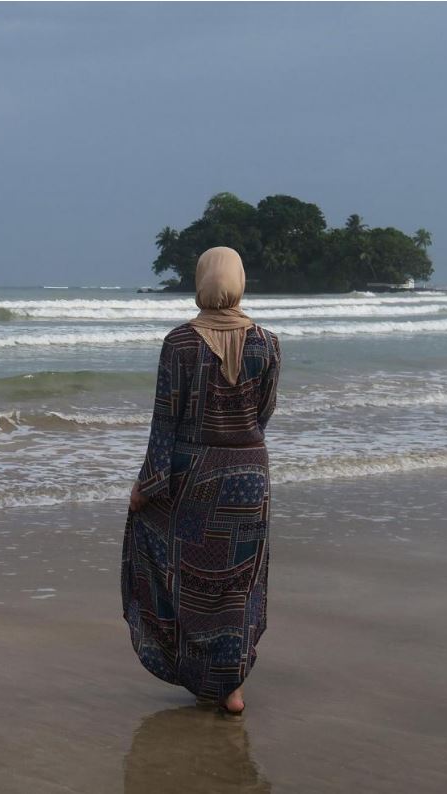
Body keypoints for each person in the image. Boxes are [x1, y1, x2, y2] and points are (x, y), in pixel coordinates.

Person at [121, 246, 281, 716]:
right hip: (250, 474)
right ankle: (232, 688)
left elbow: (164, 423)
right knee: (239, 585)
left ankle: (199, 674)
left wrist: (146, 486)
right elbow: (265, 411)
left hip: (195, 474)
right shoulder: (268, 343)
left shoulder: (180, 343)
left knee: (188, 580)